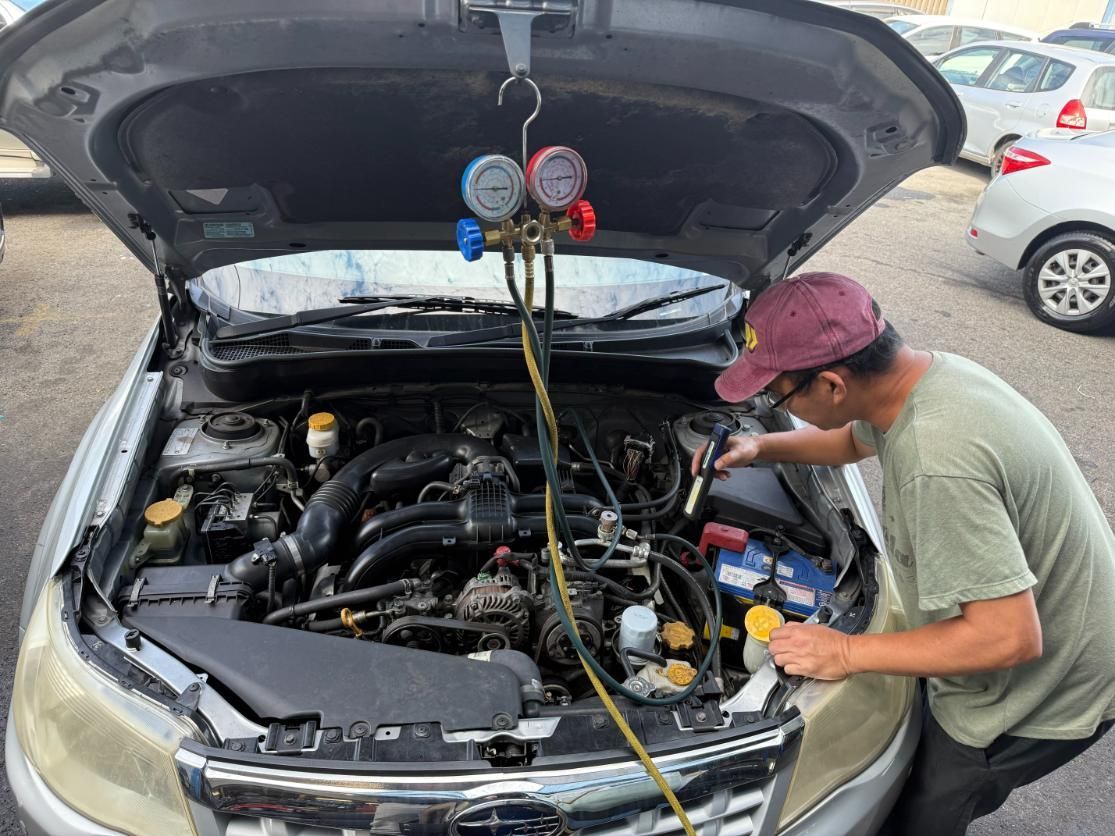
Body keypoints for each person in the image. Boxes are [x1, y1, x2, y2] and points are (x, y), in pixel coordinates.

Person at [694, 272, 1115, 835]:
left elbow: (1007, 638)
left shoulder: (937, 461)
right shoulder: (921, 378)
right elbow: (852, 440)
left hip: (1044, 685)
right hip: (1033, 617)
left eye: (776, 395)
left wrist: (844, 653)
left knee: (921, 811)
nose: (771, 404)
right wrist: (761, 446)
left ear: (832, 384)